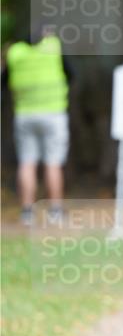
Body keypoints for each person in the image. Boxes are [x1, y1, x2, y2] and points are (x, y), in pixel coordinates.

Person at [4, 29, 73, 225]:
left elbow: (5, 82)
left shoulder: (15, 52)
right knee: (53, 163)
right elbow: (71, 74)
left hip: (25, 114)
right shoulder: (53, 47)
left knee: (27, 163)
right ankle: (55, 211)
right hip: (53, 113)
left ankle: (27, 212)